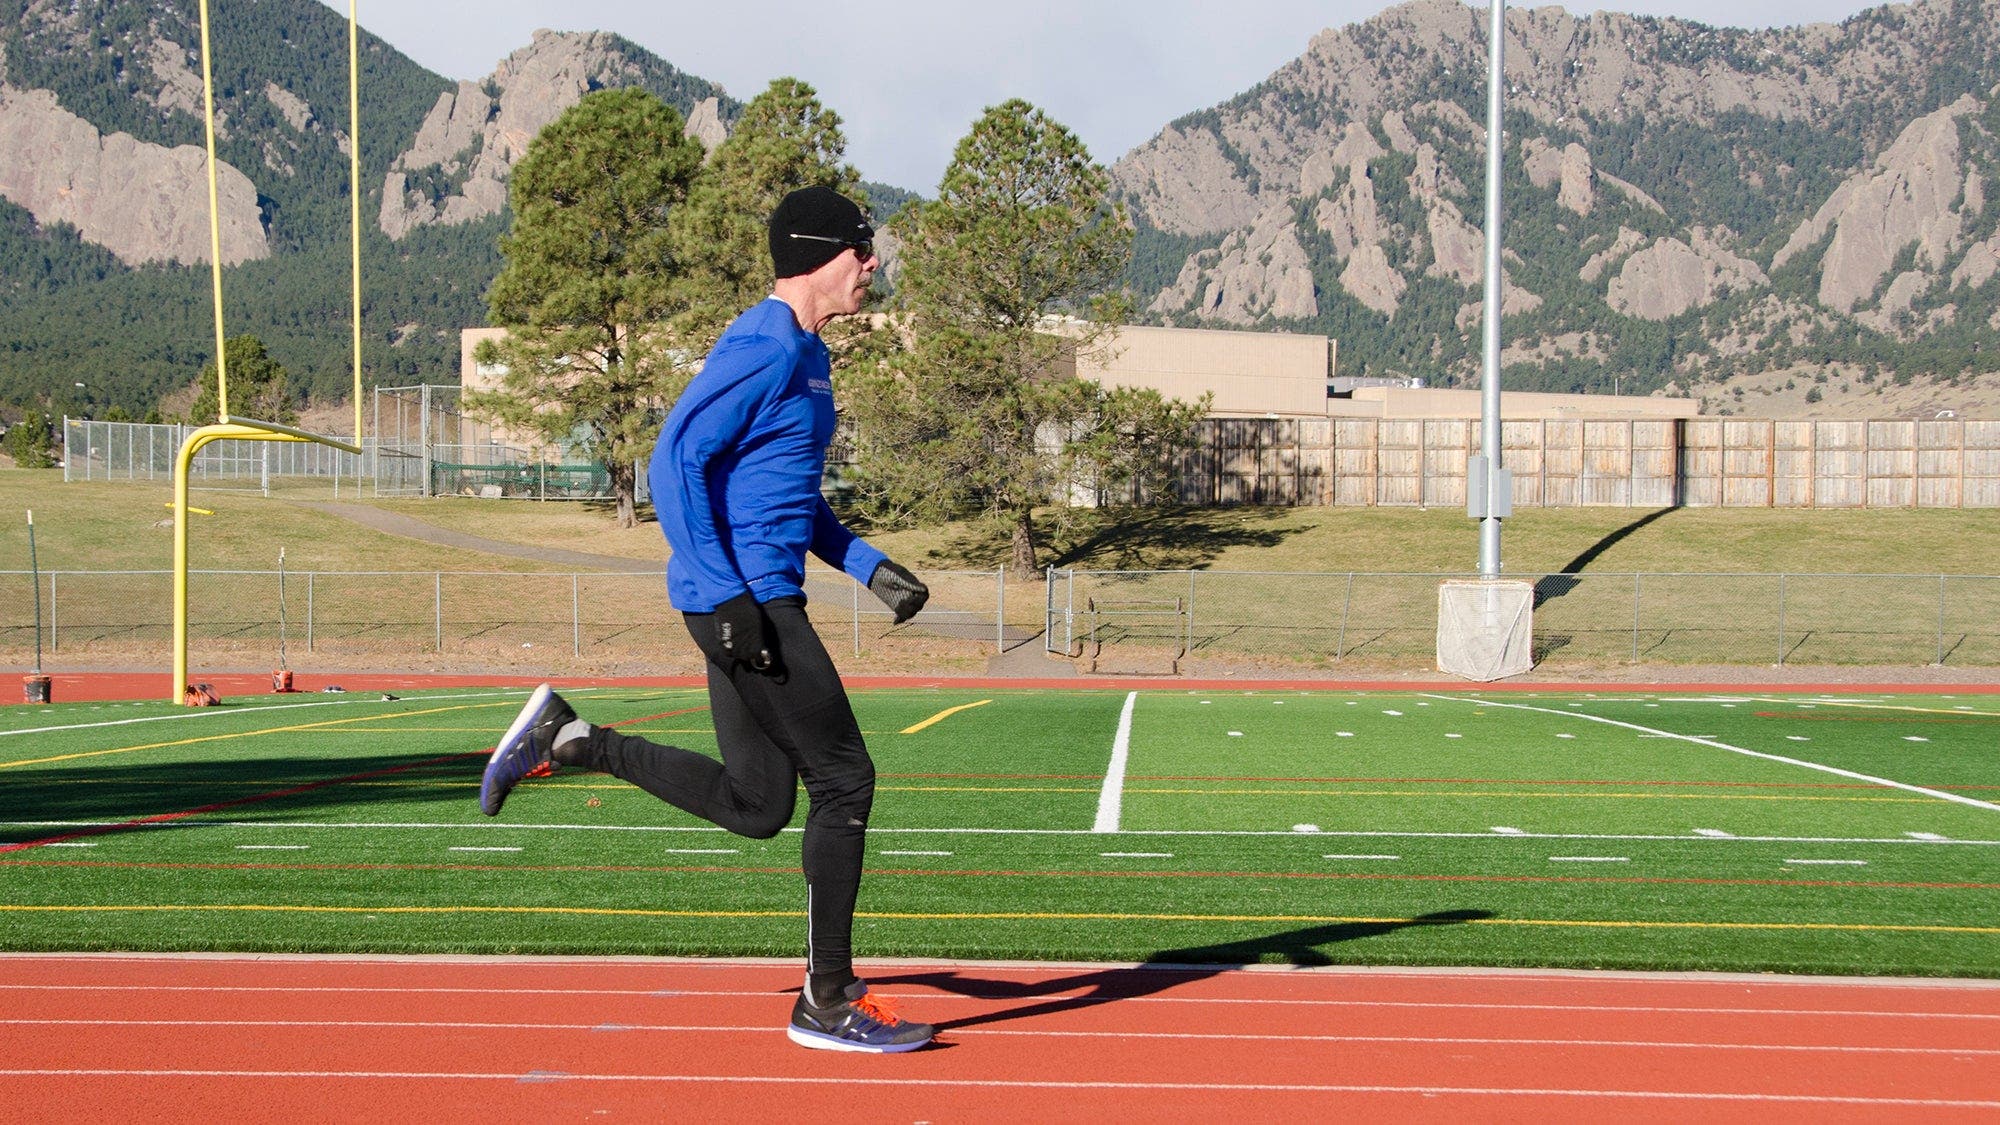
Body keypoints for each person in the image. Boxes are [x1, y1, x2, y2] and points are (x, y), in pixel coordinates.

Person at [478, 185, 935, 1054]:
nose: (872, 264)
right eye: (860, 249)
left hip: (753, 592)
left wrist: (870, 566)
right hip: (749, 600)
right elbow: (674, 457)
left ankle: (571, 737)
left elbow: (789, 495)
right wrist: (726, 593)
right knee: (846, 780)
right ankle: (829, 999)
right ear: (817, 254)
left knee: (760, 802)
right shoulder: (765, 346)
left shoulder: (810, 356)